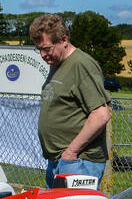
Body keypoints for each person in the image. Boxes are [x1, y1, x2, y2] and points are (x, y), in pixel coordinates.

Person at [29, 14, 112, 187]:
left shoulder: (81, 65)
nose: (43, 55)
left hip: (79, 162)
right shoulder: (56, 64)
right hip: (60, 161)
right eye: (39, 50)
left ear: (64, 39)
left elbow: (100, 114)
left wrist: (70, 153)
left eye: (46, 48)